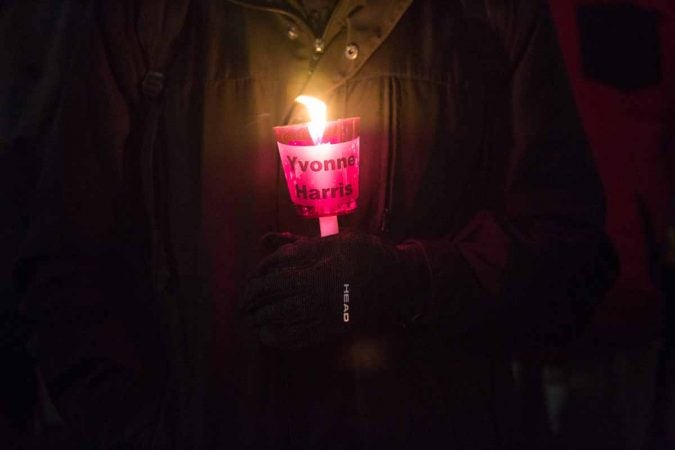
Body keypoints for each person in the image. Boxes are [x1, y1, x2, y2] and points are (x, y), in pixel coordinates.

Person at [14, 0, 616, 448]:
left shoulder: (486, 18)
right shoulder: (148, 20)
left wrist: (404, 283)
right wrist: (141, 429)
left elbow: (568, 257)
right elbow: (68, 264)